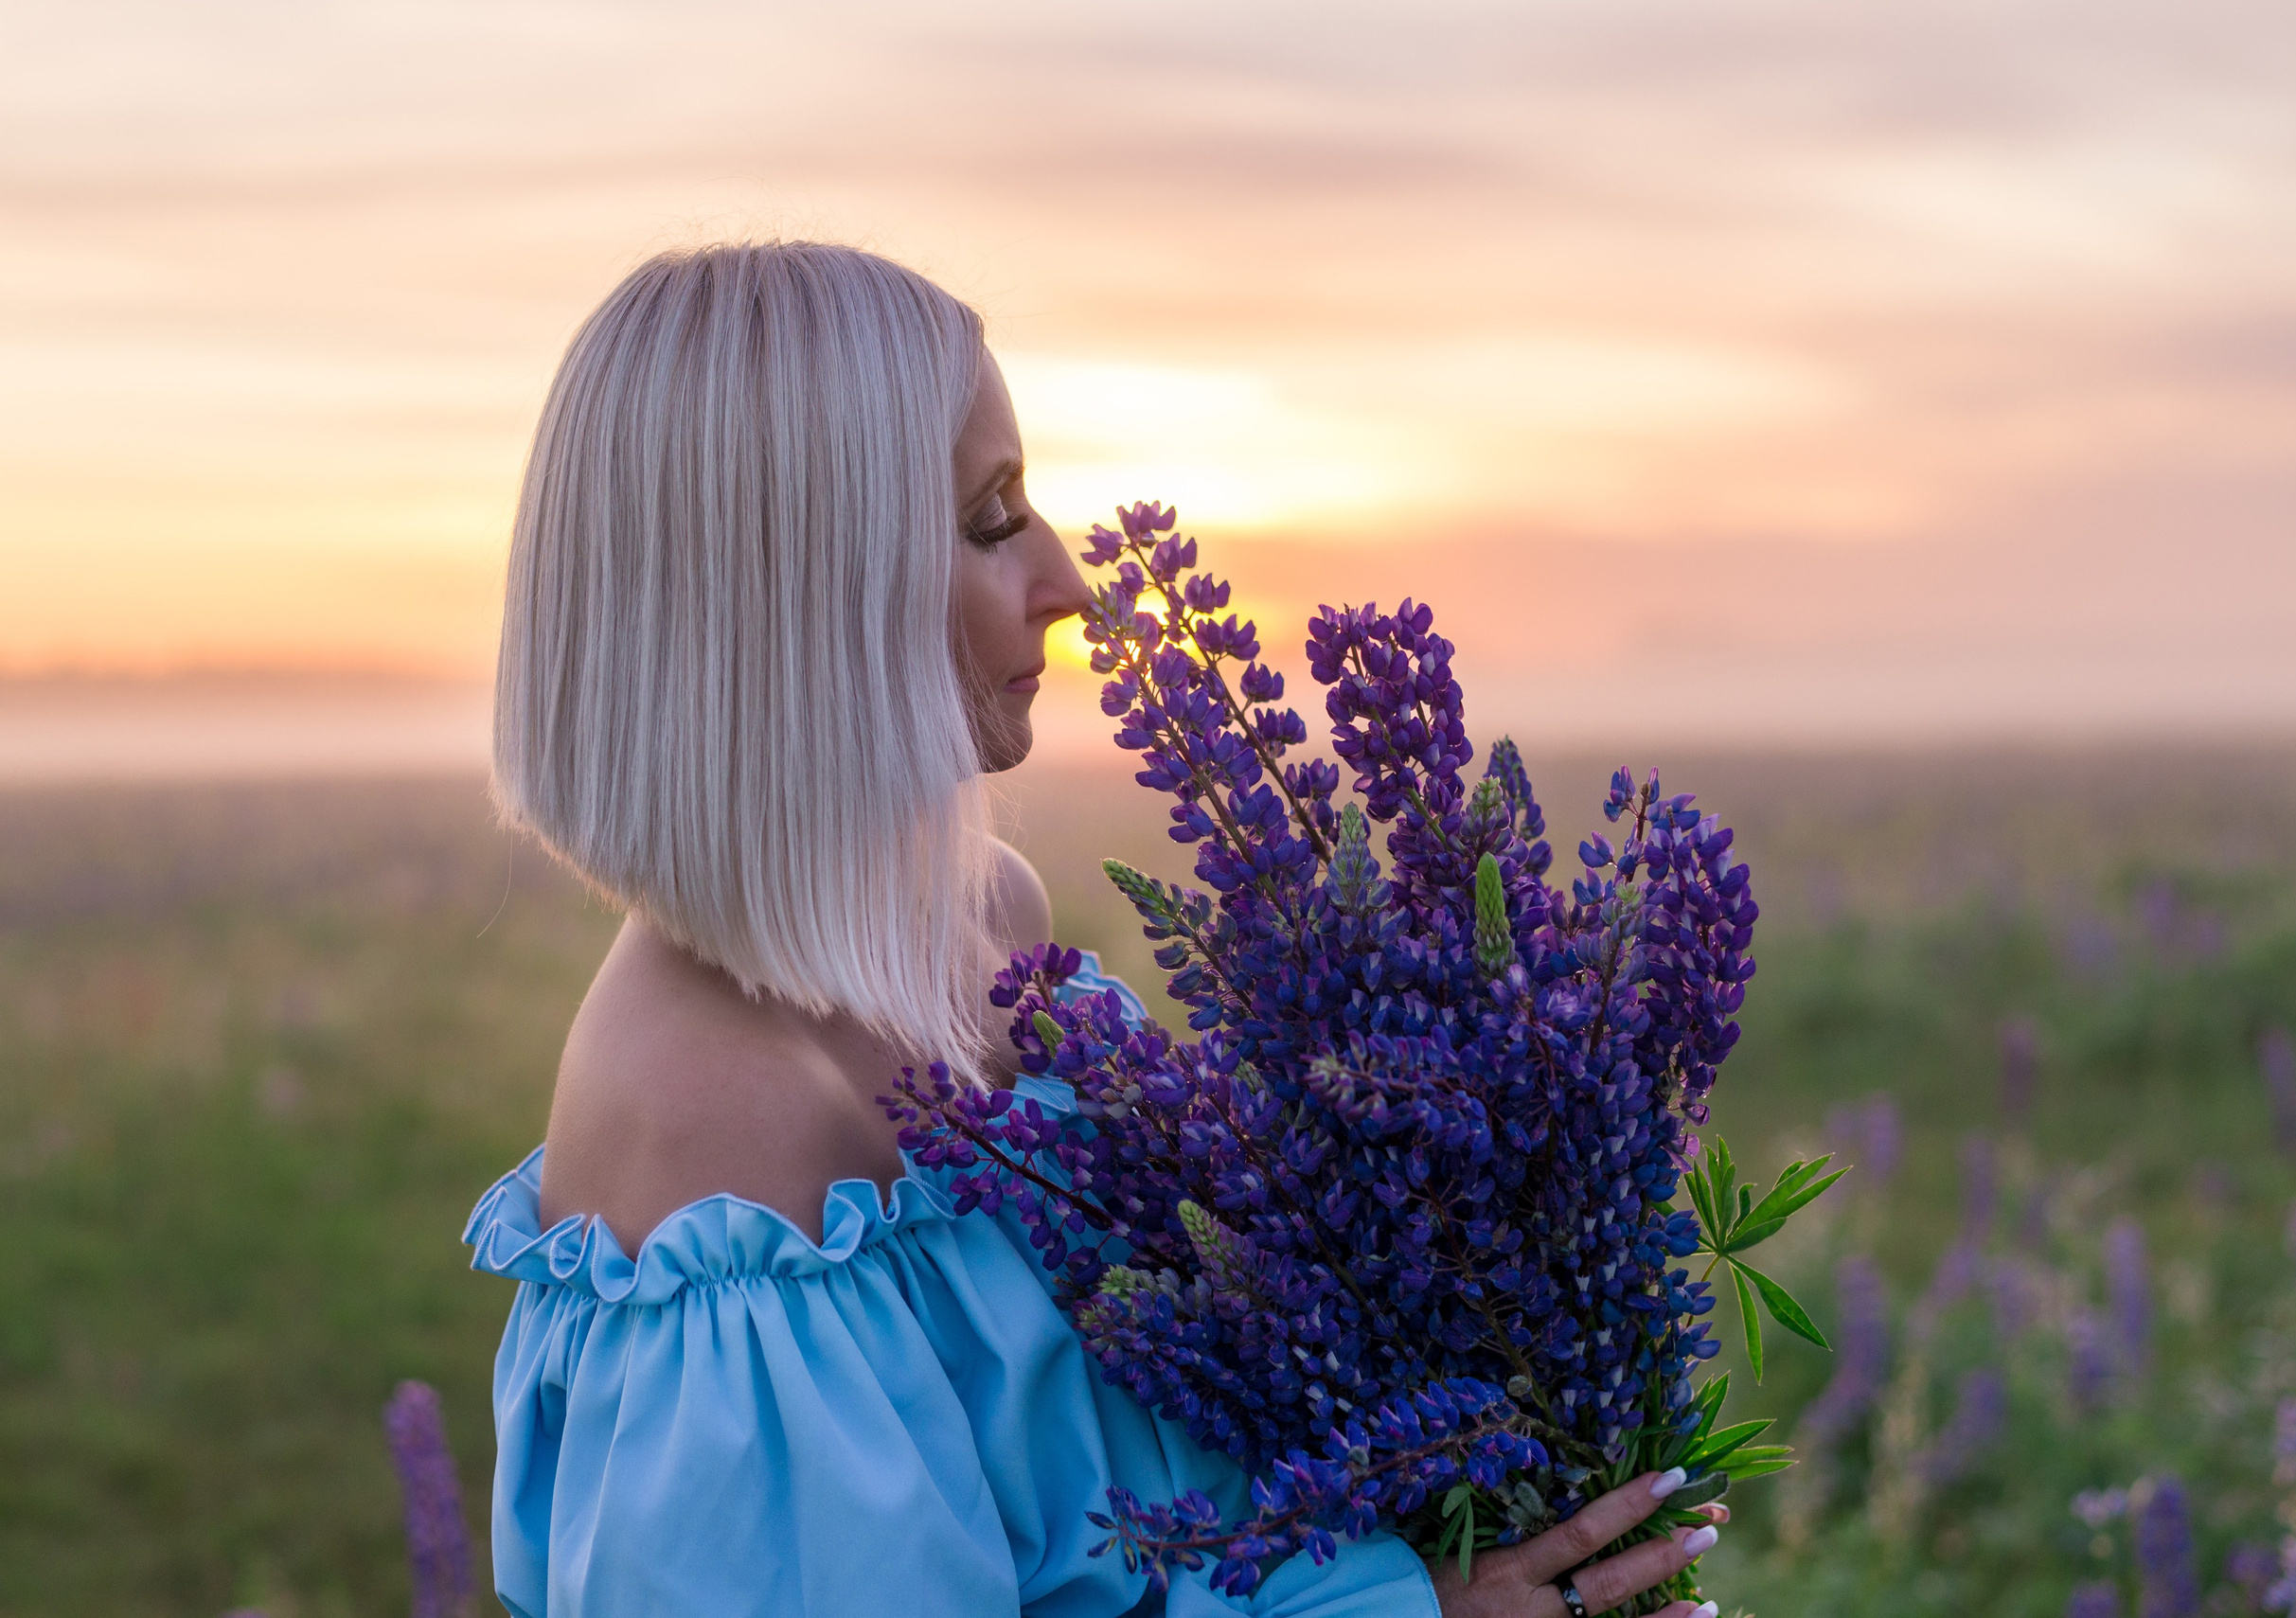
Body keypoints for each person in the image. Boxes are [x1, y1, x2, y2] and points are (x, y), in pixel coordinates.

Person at [468, 240, 1724, 1617]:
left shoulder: (983, 913)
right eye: (992, 518)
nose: (1071, 584)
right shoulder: (704, 1128)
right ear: (808, 590)